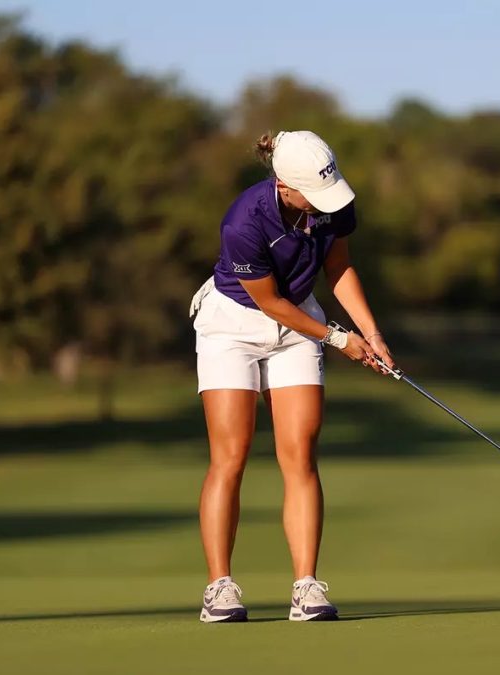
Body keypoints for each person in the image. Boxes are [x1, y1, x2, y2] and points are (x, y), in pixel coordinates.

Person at [189, 130, 394, 623]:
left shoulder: (334, 204)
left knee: (300, 454)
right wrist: (339, 338)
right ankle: (220, 588)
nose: (325, 203)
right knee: (231, 456)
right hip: (232, 326)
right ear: (284, 185)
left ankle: (307, 587)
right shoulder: (243, 220)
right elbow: (268, 302)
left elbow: (339, 268)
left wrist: (372, 332)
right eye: (313, 193)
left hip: (300, 323)